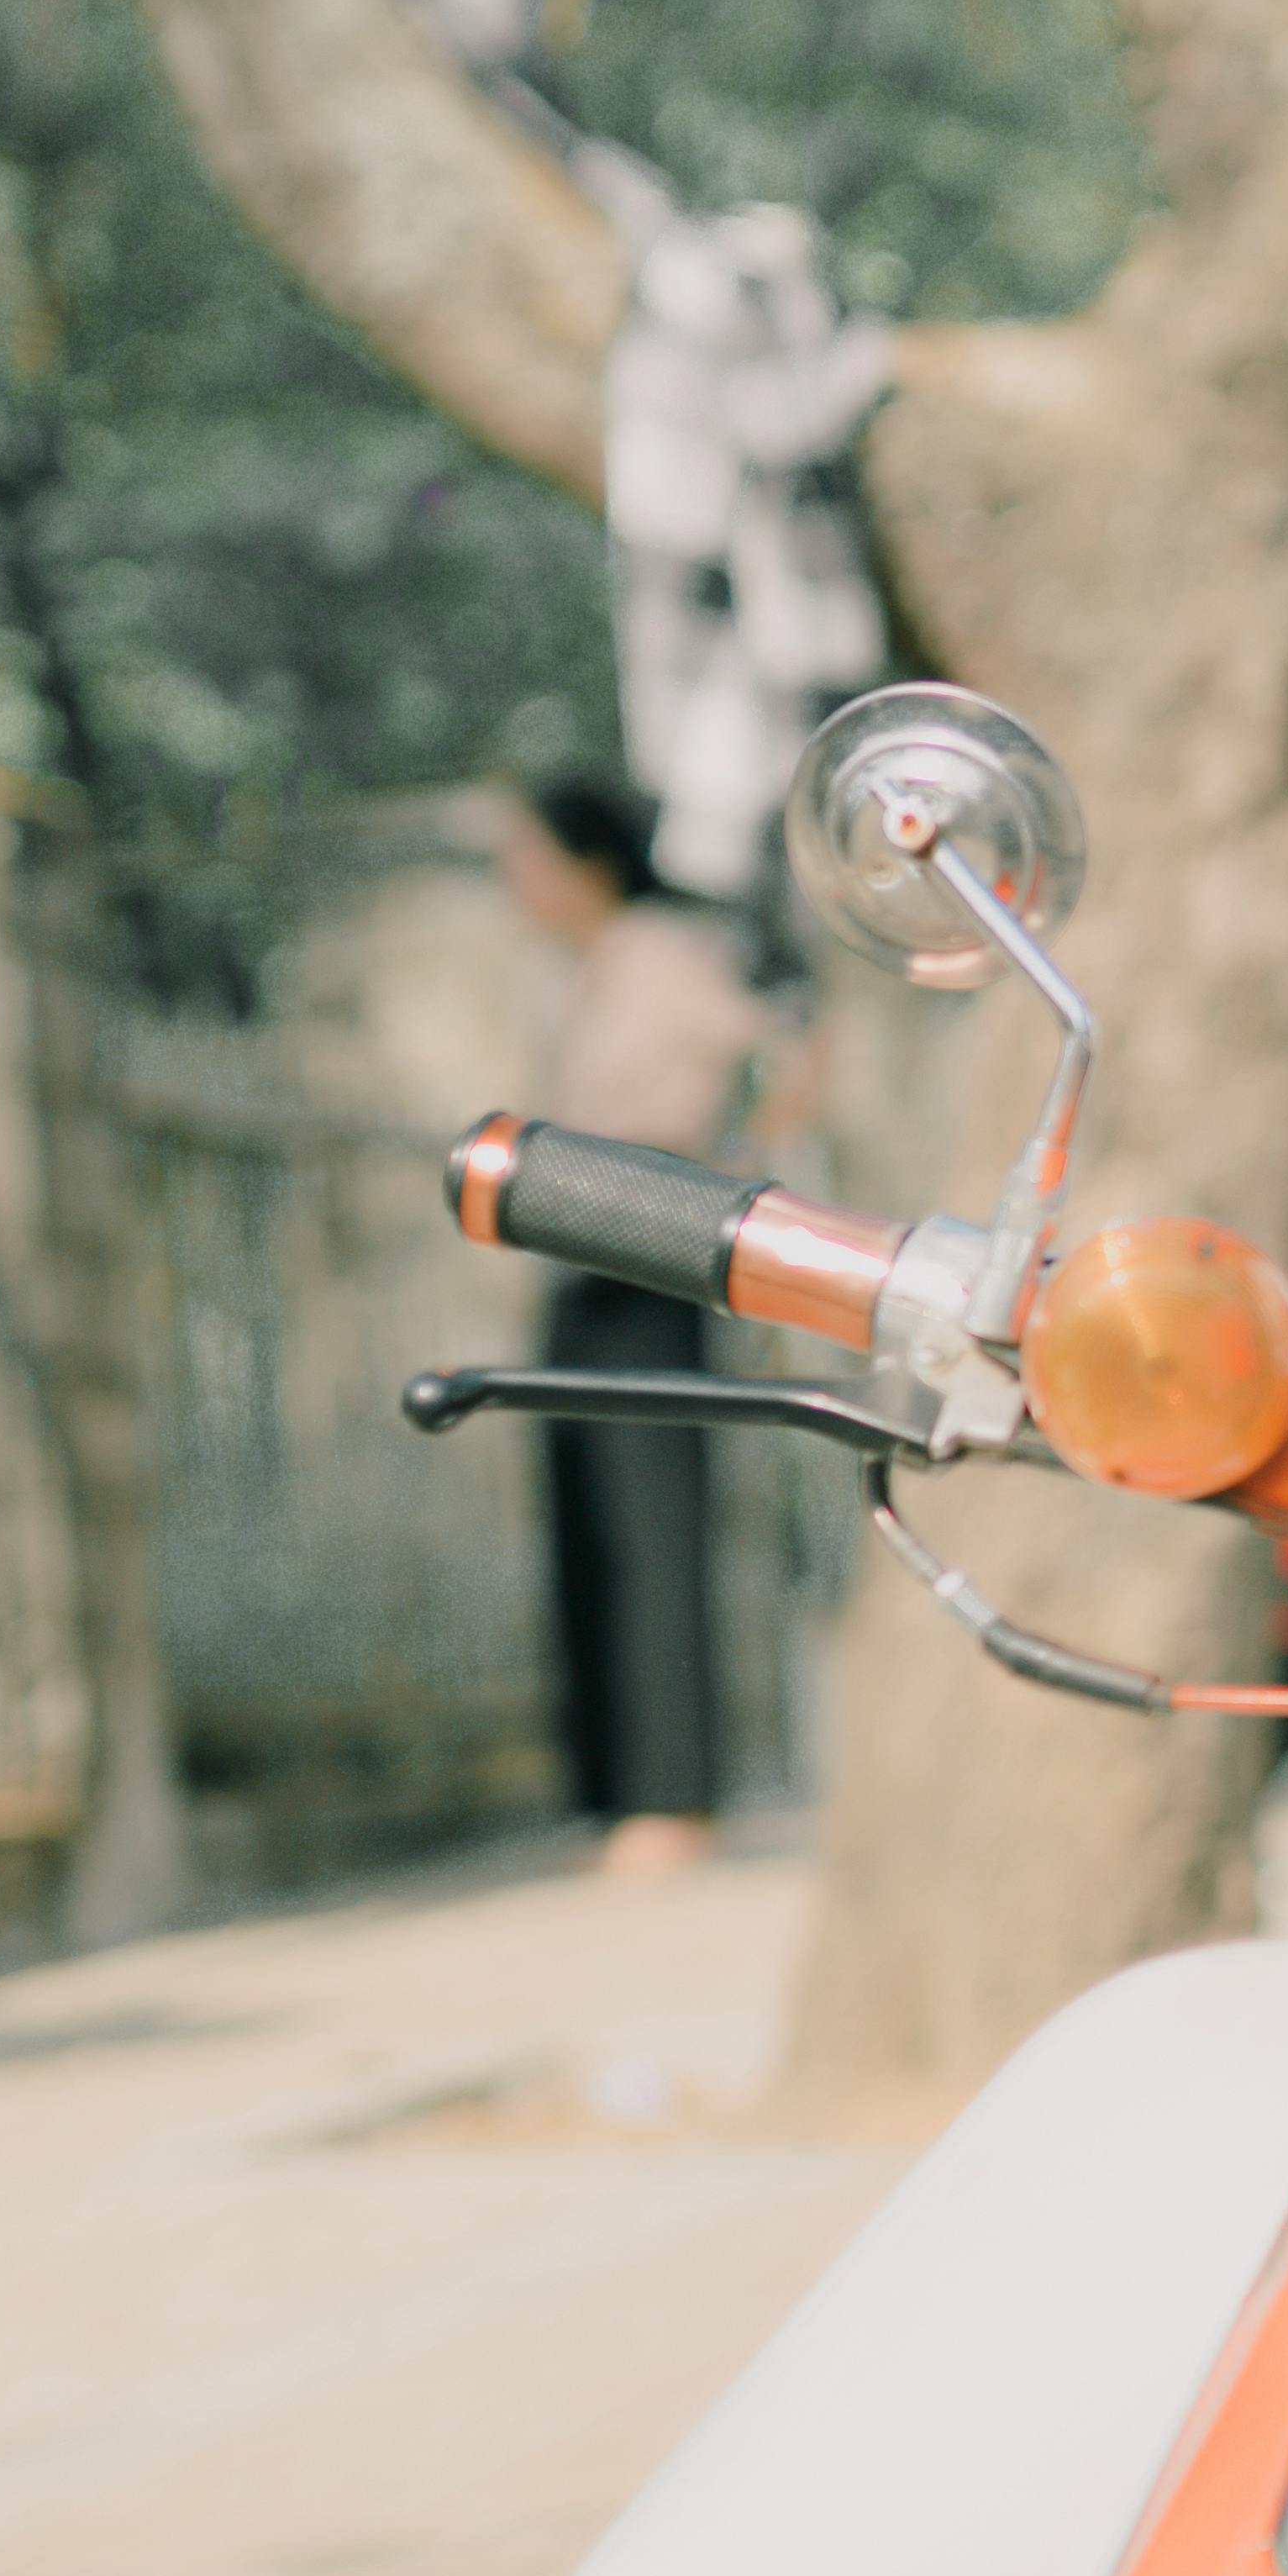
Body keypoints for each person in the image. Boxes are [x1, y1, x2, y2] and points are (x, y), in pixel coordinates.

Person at [491, 773, 772, 1878]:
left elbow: (776, 1055)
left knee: (654, 1532)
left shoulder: (665, 954)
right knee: (589, 1526)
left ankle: (672, 1802)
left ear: (585, 859)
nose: (515, 882)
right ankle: (613, 1796)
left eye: (528, 854)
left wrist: (730, 1177)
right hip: (581, 1256)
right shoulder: (583, 972)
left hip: (655, 1252)